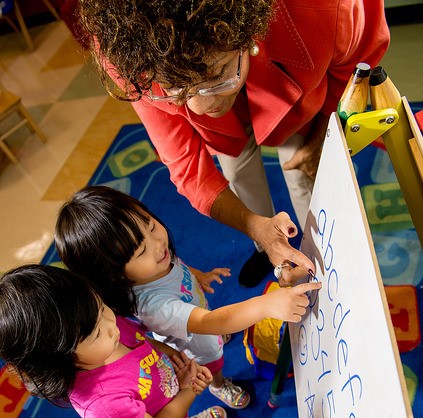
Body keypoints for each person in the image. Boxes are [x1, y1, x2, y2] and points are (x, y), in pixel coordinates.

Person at [76, 0, 390, 287]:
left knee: (302, 167)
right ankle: (264, 246)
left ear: (250, 32)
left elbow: (357, 67)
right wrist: (257, 228)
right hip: (230, 119)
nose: (199, 110)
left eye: (216, 74)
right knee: (237, 173)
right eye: (174, 87)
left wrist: (323, 134)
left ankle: (323, 253)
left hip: (298, 93)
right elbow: (188, 168)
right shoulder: (127, 52)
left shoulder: (325, 8)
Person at [54, 185, 322, 410]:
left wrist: (197, 275)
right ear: (112, 274)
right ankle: (219, 386)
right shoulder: (154, 306)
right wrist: (267, 304)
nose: (158, 245)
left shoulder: (157, 262)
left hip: (196, 318)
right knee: (213, 363)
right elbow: (213, 320)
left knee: (215, 335)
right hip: (197, 343)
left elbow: (176, 266)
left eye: (150, 226)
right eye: (140, 251)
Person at [0, 264, 227, 418]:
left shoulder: (104, 324)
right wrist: (188, 391)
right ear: (56, 360)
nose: (111, 325)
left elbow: (144, 341)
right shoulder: (104, 404)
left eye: (101, 307)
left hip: (171, 399)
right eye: (95, 334)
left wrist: (177, 357)